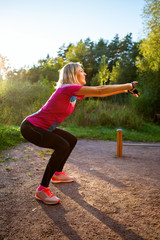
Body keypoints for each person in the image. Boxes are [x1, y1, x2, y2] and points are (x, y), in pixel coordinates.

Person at [20, 62, 139, 205]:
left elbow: (100, 93)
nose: (85, 73)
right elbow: (100, 90)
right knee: (62, 146)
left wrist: (125, 91)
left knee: (71, 140)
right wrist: (128, 85)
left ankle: (57, 174)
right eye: (81, 71)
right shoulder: (67, 88)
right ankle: (42, 190)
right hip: (31, 127)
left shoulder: (72, 91)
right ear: (73, 74)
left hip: (43, 128)